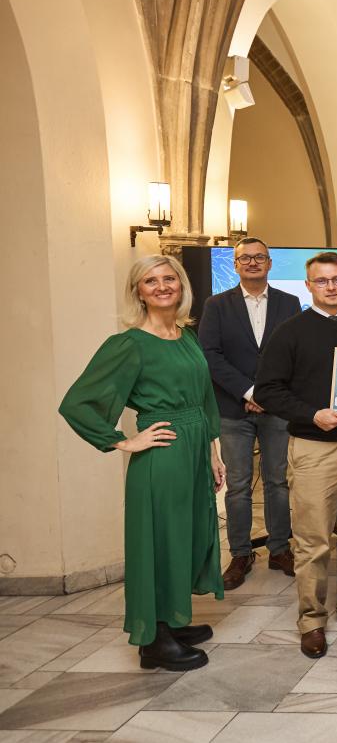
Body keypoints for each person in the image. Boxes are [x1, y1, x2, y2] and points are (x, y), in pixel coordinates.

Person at [59, 255, 226, 671]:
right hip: (164, 456)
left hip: (194, 447)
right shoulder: (130, 344)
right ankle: (153, 640)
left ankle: (169, 618)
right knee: (161, 540)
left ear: (181, 285)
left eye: (169, 278)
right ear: (138, 291)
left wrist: (213, 450)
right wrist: (123, 441)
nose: (162, 286)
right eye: (150, 281)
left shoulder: (185, 335)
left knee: (186, 534)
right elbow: (76, 403)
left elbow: (204, 397)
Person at [254, 251, 337, 659]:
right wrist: (313, 414)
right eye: (323, 281)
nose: (332, 287)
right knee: (313, 541)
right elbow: (267, 391)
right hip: (314, 448)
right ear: (309, 285)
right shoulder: (290, 332)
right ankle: (312, 619)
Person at [196, 237, 301, 590]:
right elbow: (210, 355)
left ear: (270, 264)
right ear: (236, 264)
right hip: (232, 408)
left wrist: (268, 395)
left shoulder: (290, 304)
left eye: (260, 257)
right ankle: (240, 553)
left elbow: (294, 355)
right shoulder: (216, 305)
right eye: (245, 258)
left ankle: (279, 548)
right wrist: (250, 391)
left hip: (277, 411)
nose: (253, 263)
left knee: (278, 482)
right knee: (238, 486)